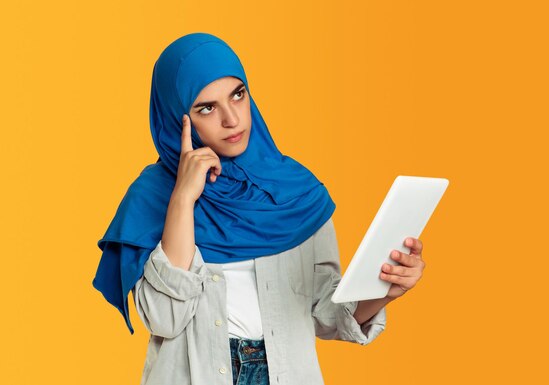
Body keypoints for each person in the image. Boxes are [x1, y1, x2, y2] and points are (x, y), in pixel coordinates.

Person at [92, 32, 426, 385]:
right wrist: (183, 198)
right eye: (207, 108)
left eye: (238, 95)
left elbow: (325, 314)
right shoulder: (154, 196)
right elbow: (165, 318)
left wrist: (384, 290)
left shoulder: (296, 192)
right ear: (177, 119)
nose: (232, 120)